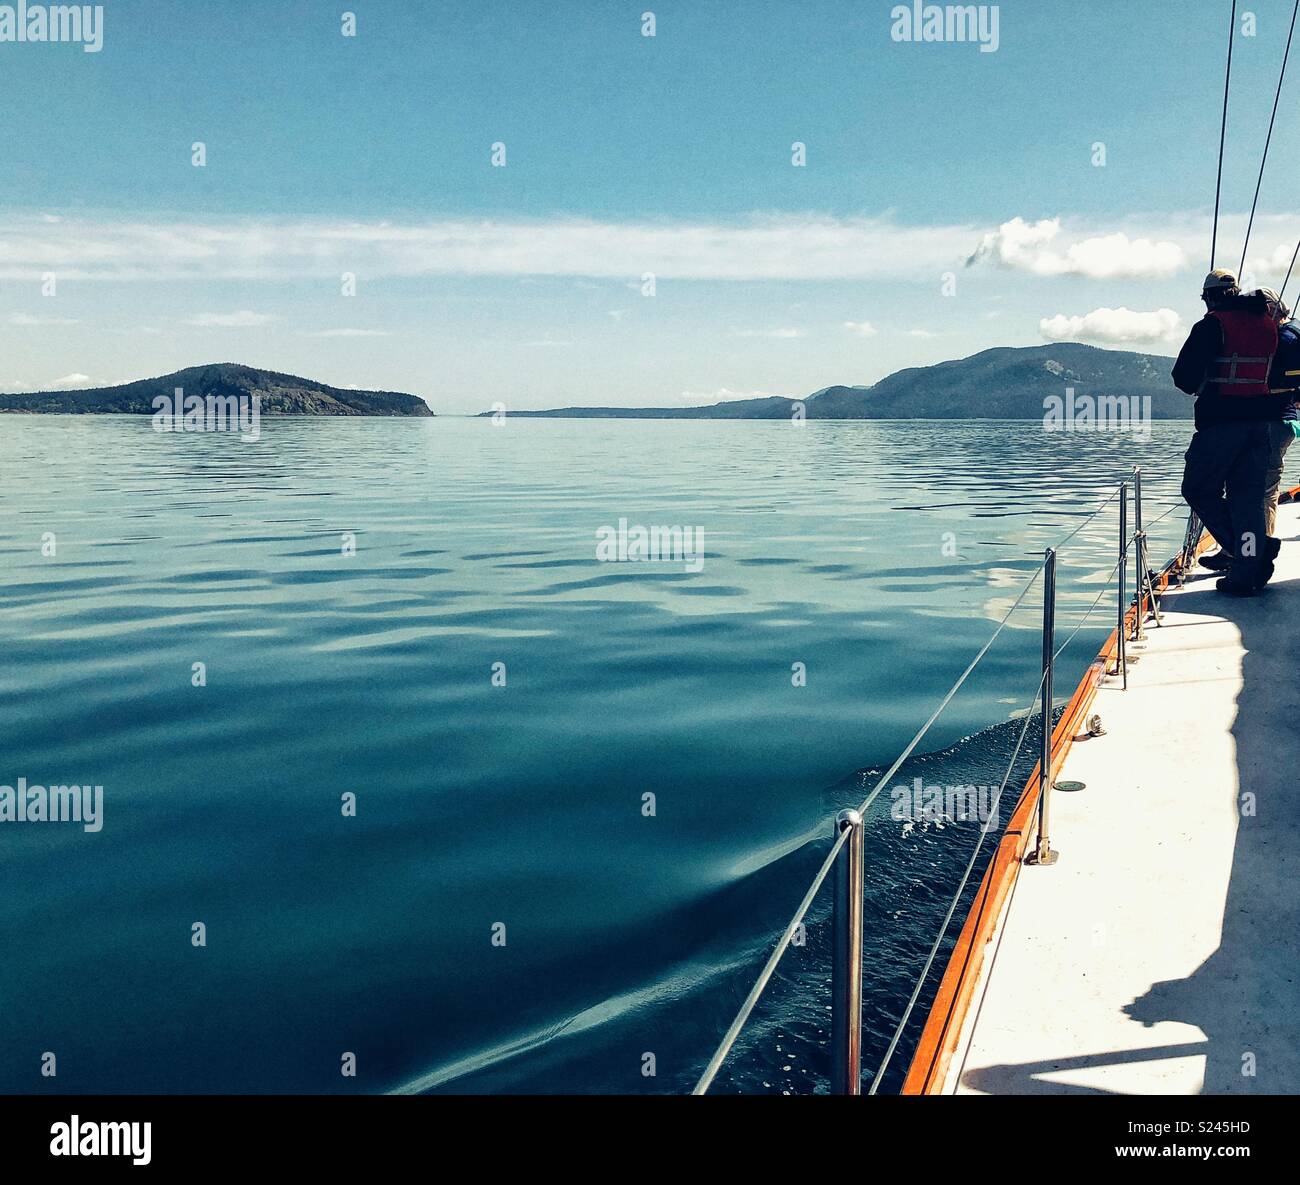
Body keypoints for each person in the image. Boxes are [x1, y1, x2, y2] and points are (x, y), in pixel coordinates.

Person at [1172, 270, 1289, 596]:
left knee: (1197, 489)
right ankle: (1246, 572)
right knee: (1248, 501)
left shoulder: (1212, 325)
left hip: (1223, 422)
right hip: (1262, 423)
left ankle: (1252, 551)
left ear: (1209, 296)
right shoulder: (1267, 324)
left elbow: (1183, 377)